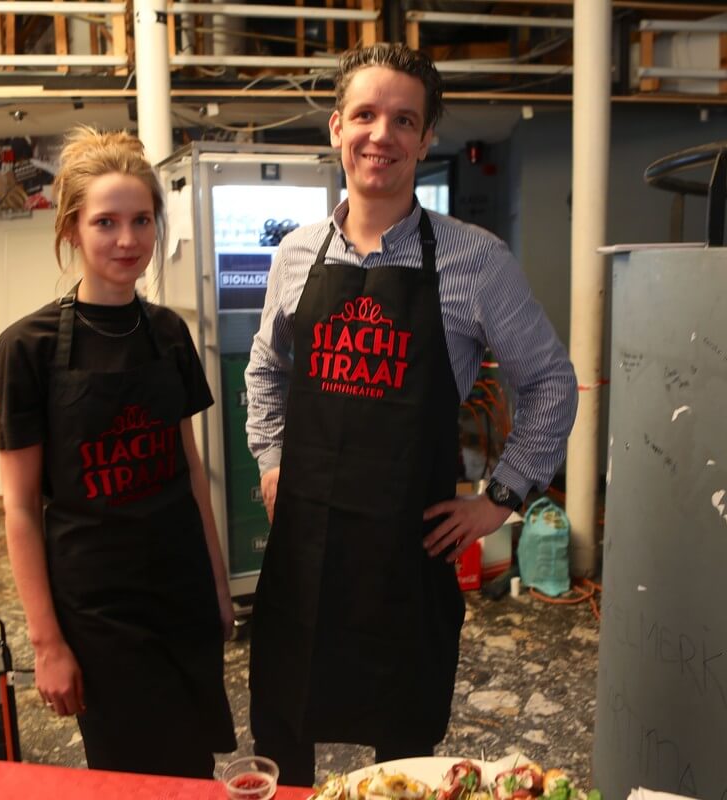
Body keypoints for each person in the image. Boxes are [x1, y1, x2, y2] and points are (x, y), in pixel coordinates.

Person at [244, 43, 578, 788]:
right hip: (306, 554)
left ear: (426, 141)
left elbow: (552, 383)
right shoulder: (297, 254)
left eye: (403, 119)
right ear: (336, 127)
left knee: (405, 751)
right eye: (364, 114)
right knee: (284, 733)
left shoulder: (476, 260)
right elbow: (265, 371)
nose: (380, 134)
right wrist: (270, 461)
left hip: (410, 558)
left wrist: (500, 499)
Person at [0, 126, 236, 778]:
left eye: (142, 221)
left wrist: (217, 586)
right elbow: (19, 509)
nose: (128, 240)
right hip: (99, 611)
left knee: (192, 770)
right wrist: (47, 643)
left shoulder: (169, 333)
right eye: (106, 222)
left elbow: (189, 470)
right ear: (72, 229)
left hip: (180, 594)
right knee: (128, 776)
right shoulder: (28, 348)